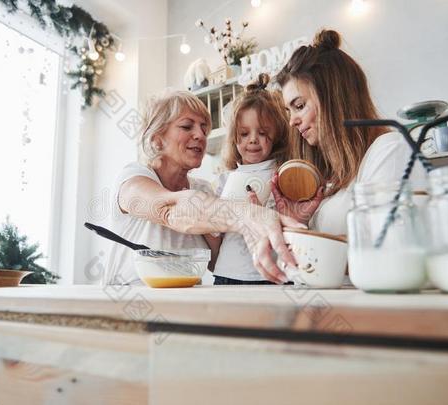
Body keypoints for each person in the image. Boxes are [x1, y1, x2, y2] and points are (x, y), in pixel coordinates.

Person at [104, 89, 304, 285]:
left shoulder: (205, 191)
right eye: (187, 126)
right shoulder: (133, 177)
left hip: (187, 309)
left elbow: (217, 262)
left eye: (203, 128)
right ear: (157, 138)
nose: (200, 135)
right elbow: (169, 209)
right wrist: (248, 215)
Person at [272, 29, 426, 235]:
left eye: (299, 105)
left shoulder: (390, 151)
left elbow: (390, 249)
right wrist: (298, 222)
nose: (291, 121)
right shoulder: (330, 177)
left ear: (334, 99)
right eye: (288, 111)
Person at [212, 73, 292, 285]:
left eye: (263, 132)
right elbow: (214, 230)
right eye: (244, 133)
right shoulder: (225, 178)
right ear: (233, 138)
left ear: (278, 135)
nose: (253, 140)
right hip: (227, 273)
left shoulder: (283, 173)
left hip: (271, 274)